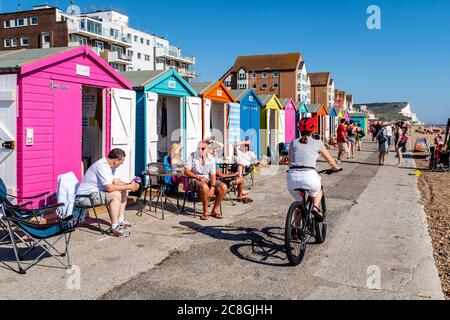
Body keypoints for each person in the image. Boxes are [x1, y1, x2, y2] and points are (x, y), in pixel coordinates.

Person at [76, 149, 139, 238]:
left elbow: (117, 182)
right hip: (85, 197)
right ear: (116, 160)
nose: (122, 164)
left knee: (123, 190)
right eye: (121, 161)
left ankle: (120, 220)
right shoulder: (102, 166)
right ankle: (114, 227)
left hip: (95, 194)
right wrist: (129, 187)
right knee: (116, 194)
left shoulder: (112, 167)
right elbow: (110, 188)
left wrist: (129, 185)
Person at [287, 118, 341, 222]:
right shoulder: (318, 143)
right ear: (313, 130)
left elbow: (290, 162)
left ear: (299, 129)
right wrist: (335, 168)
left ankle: (296, 229)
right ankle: (315, 208)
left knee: (299, 203)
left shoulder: (293, 142)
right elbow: (329, 159)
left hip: (292, 176)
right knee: (318, 190)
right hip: (309, 175)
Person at [184, 141, 228, 221]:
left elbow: (213, 174)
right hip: (194, 181)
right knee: (204, 187)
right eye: (199, 148)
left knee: (223, 187)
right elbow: (186, 171)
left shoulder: (211, 158)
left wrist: (212, 187)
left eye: (203, 149)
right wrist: (197, 177)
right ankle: (205, 212)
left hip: (207, 179)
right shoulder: (192, 156)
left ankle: (214, 210)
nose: (200, 150)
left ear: (207, 149)